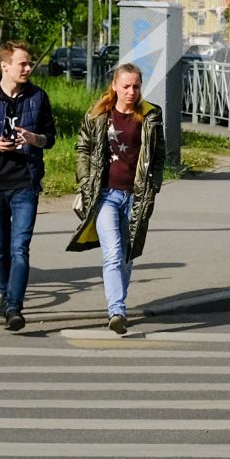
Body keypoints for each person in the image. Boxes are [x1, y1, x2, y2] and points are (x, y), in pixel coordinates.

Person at [0, 40, 56, 332]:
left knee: (20, 247)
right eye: (23, 64)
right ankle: (5, 296)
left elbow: (49, 138)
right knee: (0, 247)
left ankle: (14, 307)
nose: (29, 68)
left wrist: (33, 138)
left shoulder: (38, 97)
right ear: (5, 66)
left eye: (30, 64)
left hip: (25, 182)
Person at [67, 63, 163, 335]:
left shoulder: (151, 116)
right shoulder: (99, 114)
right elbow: (82, 147)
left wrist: (153, 185)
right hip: (105, 196)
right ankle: (116, 311)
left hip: (136, 197)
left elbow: (158, 156)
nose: (131, 91)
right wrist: (86, 182)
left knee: (127, 256)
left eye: (136, 86)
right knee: (112, 253)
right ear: (114, 86)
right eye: (126, 86)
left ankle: (118, 305)